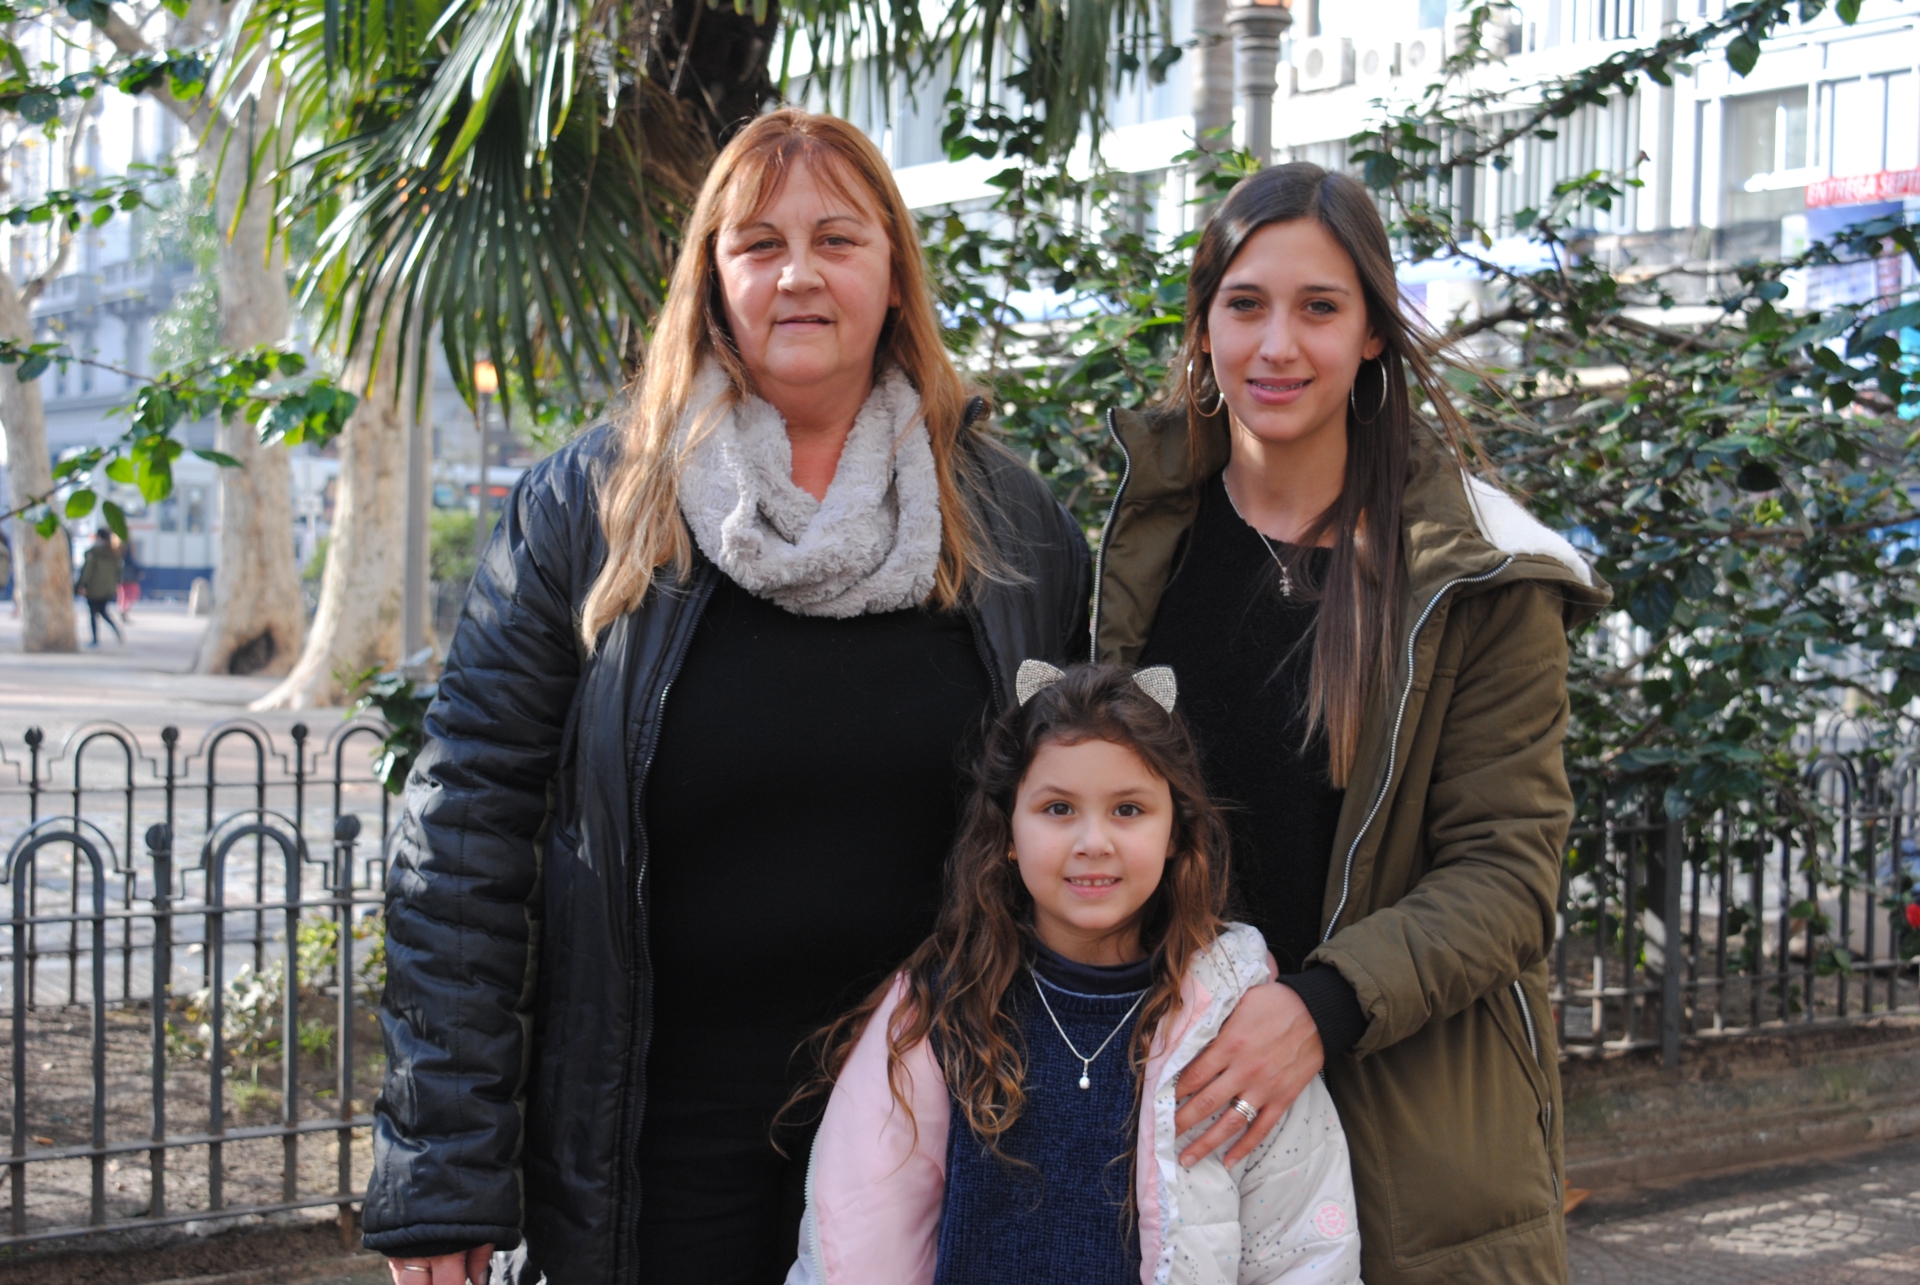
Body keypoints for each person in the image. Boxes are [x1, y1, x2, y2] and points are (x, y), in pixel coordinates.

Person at [362, 109, 1091, 1285]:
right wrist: (443, 1168)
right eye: (757, 243)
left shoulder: (1014, 530)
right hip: (657, 1152)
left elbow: (1091, 830)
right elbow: (464, 834)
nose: (798, 272)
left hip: (941, 1133)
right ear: (711, 280)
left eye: (838, 239)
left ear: (894, 275)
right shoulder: (590, 511)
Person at [1091, 162, 1612, 1283]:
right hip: (1179, 1126)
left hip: (1408, 1139)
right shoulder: (1140, 546)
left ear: (1372, 330)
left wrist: (1319, 1008)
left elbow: (1508, 875)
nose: (1277, 345)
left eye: (1319, 307)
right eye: (1246, 304)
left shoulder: (1477, 576)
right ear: (1205, 325)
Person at [785, 661, 1360, 1285]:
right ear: (1008, 831)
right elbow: (858, 1230)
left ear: (1174, 833)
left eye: (1129, 810)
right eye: (1058, 808)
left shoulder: (1231, 1023)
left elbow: (1303, 1253)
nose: (1093, 841)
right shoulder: (937, 1012)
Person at [75, 529, 122, 648]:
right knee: (103, 612)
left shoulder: (93, 552)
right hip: (108, 589)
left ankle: (95, 640)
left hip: (94, 589)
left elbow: (87, 571)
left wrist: (81, 584)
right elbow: (119, 572)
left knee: (93, 614)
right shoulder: (114, 553)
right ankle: (117, 632)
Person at [115, 536, 142, 620]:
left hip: (120, 577)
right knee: (134, 593)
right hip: (129, 577)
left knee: (123, 594)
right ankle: (124, 610)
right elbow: (131, 561)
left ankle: (122, 609)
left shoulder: (117, 549)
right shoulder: (128, 549)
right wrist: (138, 571)